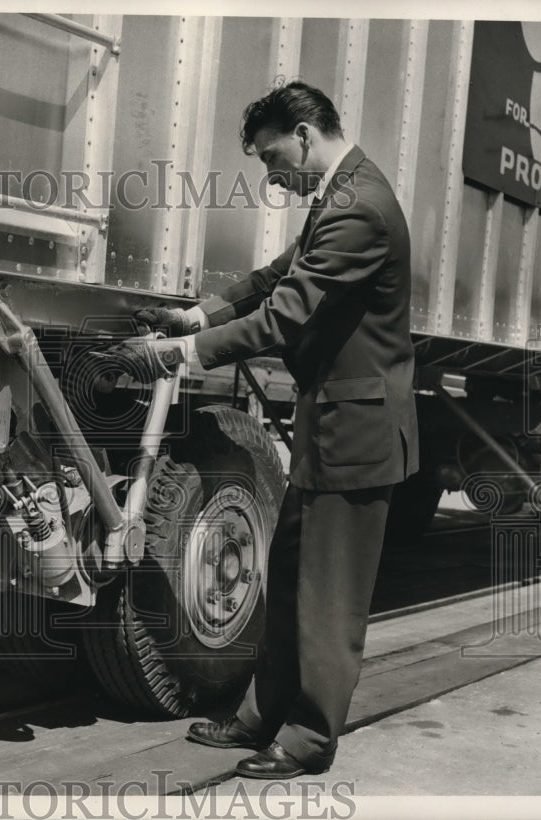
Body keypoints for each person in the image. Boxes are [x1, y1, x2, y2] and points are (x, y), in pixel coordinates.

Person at [103, 81, 419, 779]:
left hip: (358, 430)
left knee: (329, 599)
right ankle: (260, 715)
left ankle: (309, 740)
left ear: (304, 134)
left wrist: (179, 355)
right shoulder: (341, 195)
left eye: (274, 159)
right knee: (289, 578)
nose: (272, 178)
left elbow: (287, 316)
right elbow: (277, 276)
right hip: (330, 423)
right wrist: (202, 313)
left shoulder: (360, 206)